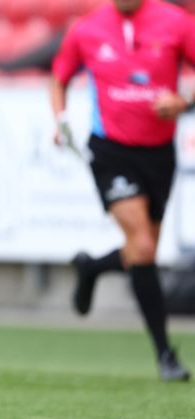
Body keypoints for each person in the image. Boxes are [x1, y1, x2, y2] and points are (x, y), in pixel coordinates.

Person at [51, 0, 195, 382]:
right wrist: (61, 120)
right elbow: (60, 76)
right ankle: (165, 354)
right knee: (144, 247)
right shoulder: (86, 29)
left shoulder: (177, 22)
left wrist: (185, 100)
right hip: (110, 150)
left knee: (141, 250)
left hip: (160, 153)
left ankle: (92, 267)